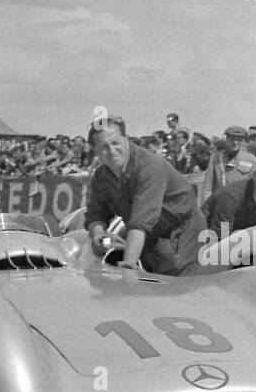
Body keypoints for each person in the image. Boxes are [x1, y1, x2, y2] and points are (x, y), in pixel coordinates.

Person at [84, 114, 203, 275]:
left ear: (126, 140)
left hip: (182, 229)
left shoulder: (148, 168)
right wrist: (98, 234)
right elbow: (95, 214)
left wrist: (128, 265)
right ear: (95, 151)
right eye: (103, 147)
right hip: (148, 234)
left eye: (115, 143)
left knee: (178, 285)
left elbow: (140, 222)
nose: (111, 152)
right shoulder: (101, 177)